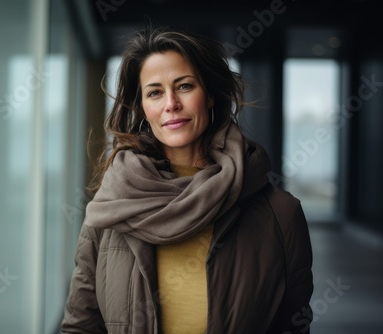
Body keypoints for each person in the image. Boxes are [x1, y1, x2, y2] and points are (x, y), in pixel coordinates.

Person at [61, 26, 313, 334]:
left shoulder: (281, 214)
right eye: (154, 92)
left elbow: (292, 326)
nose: (171, 104)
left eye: (184, 86)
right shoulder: (110, 210)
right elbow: (81, 326)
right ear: (143, 108)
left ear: (209, 96)